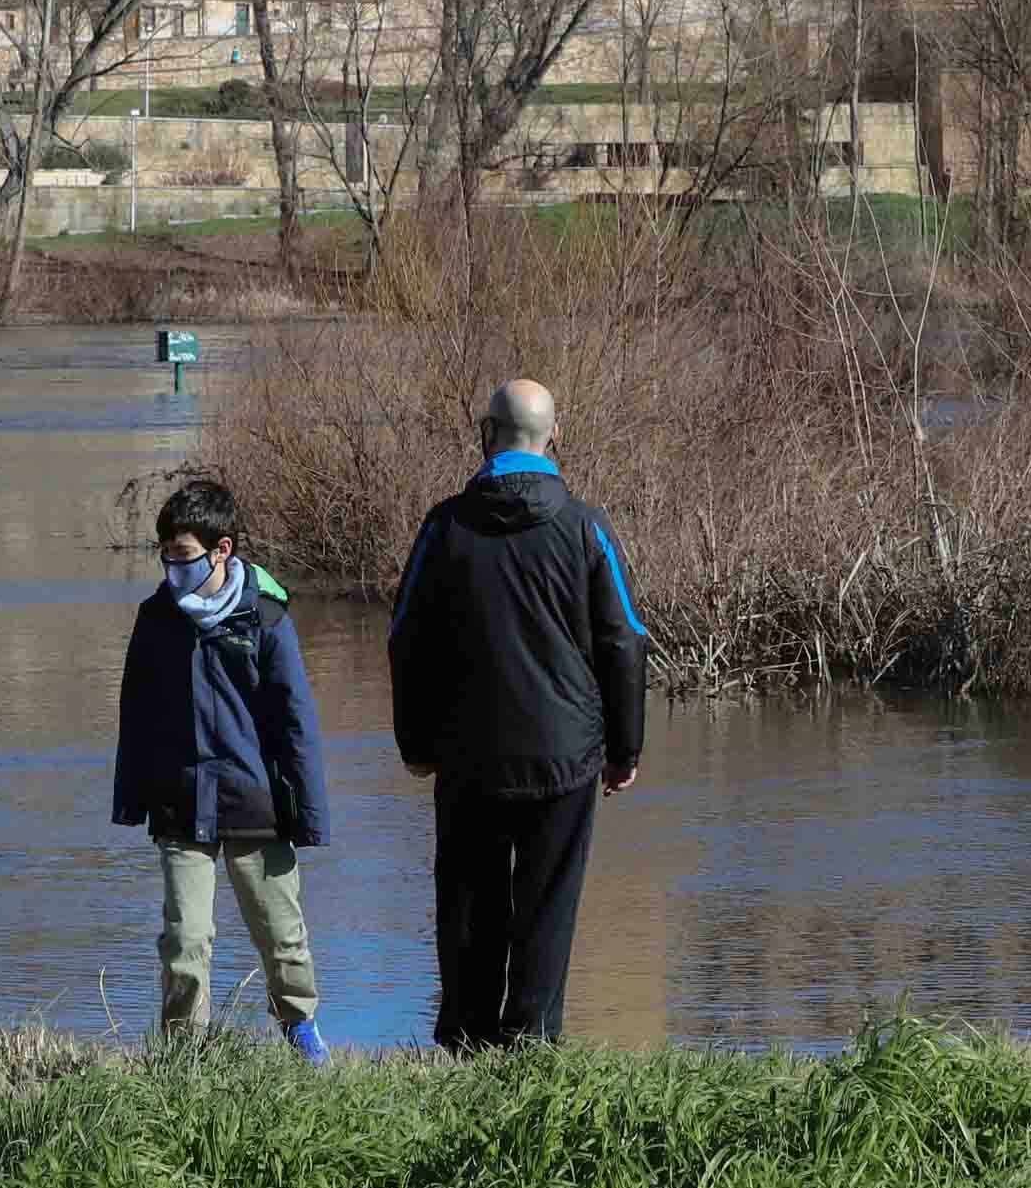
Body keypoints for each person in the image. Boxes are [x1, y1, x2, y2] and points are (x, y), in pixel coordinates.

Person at [387, 378, 646, 1050]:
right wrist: (626, 750)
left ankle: (468, 1042)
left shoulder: (444, 526)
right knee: (547, 905)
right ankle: (532, 1044)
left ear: (485, 435)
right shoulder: (586, 526)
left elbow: (405, 637)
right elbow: (623, 640)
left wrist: (415, 742)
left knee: (469, 901)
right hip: (564, 753)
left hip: (467, 753)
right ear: (555, 438)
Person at [108, 474, 332, 1064]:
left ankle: (301, 1032)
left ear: (222, 549)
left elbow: (296, 724)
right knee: (185, 940)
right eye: (165, 555)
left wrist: (308, 816)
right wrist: (131, 801)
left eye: (182, 556)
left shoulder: (267, 619)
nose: (171, 567)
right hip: (180, 805)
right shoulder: (155, 618)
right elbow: (135, 714)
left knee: (282, 937)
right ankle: (185, 1060)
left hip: (257, 806)